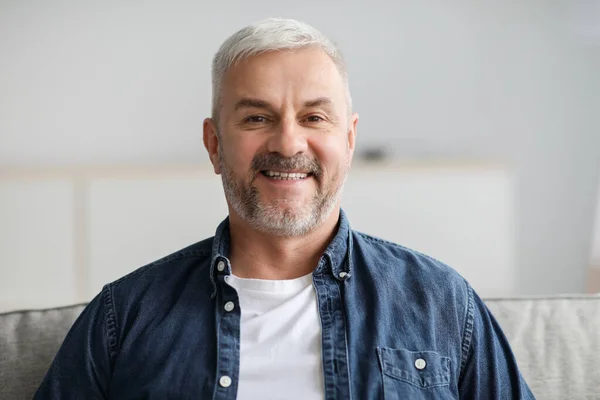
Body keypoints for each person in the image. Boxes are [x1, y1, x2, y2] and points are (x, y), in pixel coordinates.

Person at [35, 18, 534, 399]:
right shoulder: (123, 318)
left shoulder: (442, 303)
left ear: (350, 138)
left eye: (314, 116)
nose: (289, 142)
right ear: (214, 144)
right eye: (257, 117)